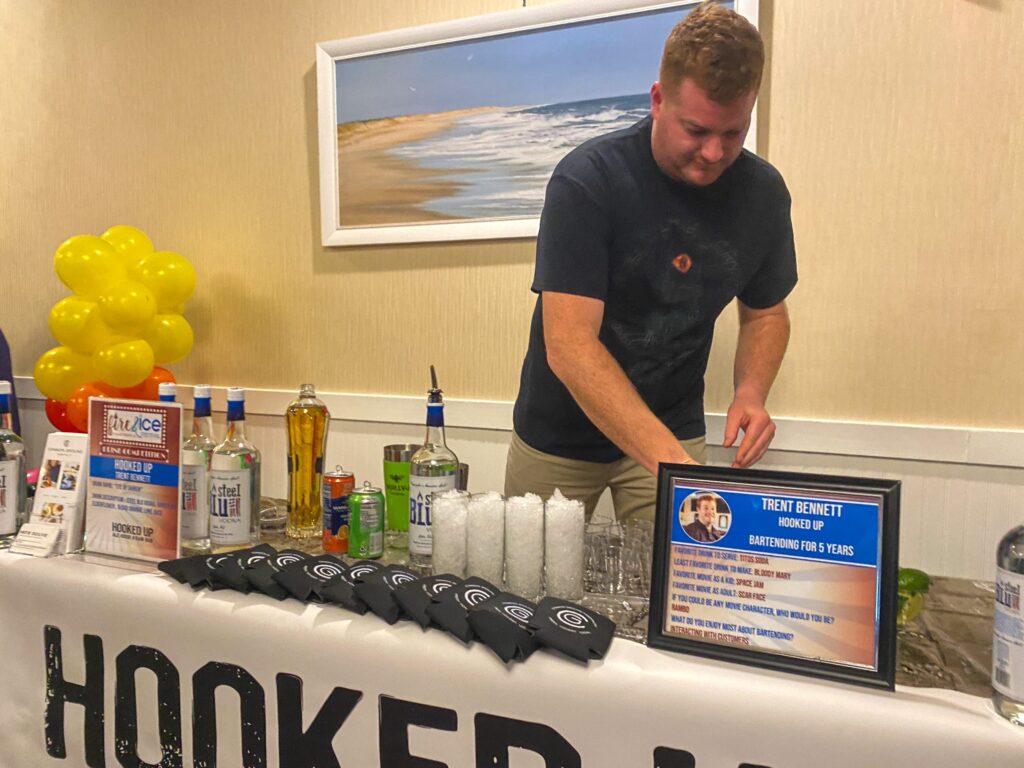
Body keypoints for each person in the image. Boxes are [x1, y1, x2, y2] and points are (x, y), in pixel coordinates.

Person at [505, 1, 796, 521]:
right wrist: (678, 468)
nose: (713, 153)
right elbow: (570, 347)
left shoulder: (764, 195)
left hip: (673, 421)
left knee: (681, 584)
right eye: (696, 130)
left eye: (732, 133)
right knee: (530, 592)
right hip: (559, 434)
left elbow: (766, 313)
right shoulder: (588, 180)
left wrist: (751, 392)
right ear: (658, 99)